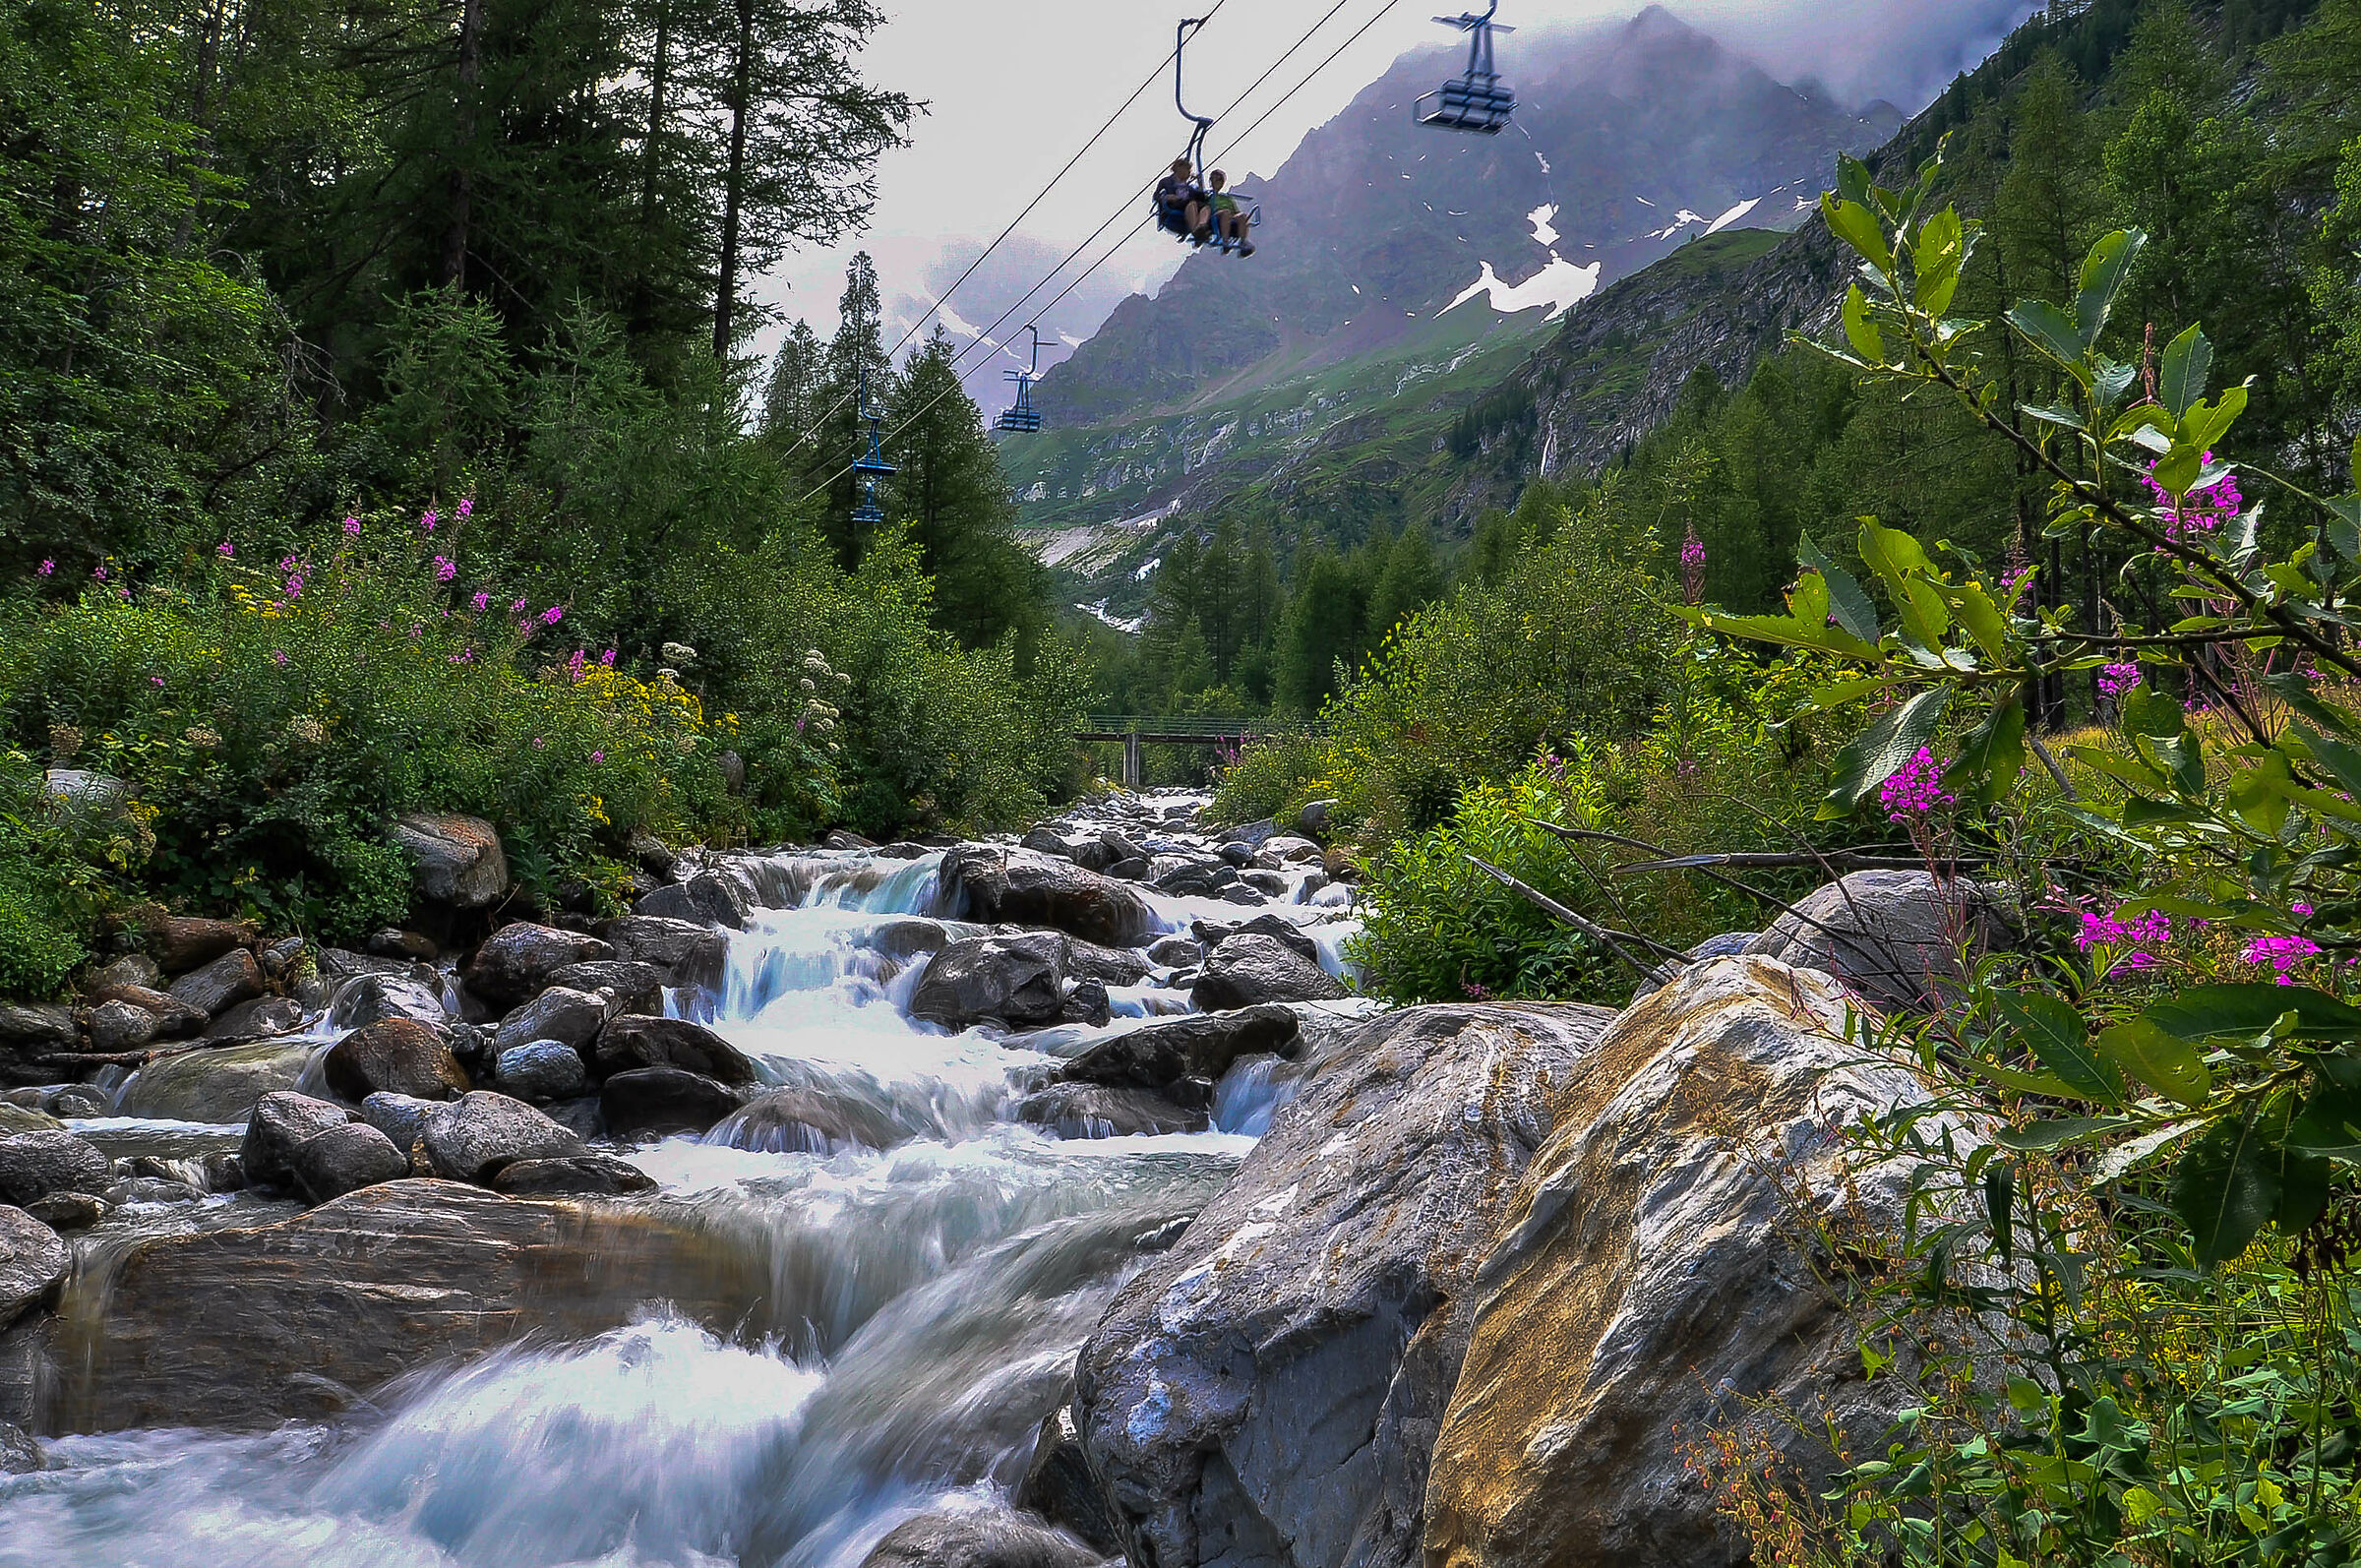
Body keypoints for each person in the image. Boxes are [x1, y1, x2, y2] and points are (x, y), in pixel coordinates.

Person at [1205, 169, 1252, 256]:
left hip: (1228, 216)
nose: (1216, 182)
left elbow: (1236, 212)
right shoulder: (1208, 196)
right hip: (1215, 217)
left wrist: (1239, 218)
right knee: (1225, 213)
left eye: (1219, 180)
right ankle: (1225, 240)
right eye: (1214, 179)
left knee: (1242, 216)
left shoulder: (1227, 198)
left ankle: (1243, 241)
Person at [1154, 157, 1201, 240]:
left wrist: (1199, 184)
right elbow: (1155, 196)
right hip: (1175, 205)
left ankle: (1201, 228)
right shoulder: (1166, 182)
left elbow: (1200, 197)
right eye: (1188, 170)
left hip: (1187, 207)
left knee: (1202, 206)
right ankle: (1196, 231)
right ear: (1179, 169)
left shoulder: (1189, 188)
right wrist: (1165, 198)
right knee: (1192, 204)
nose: (1189, 173)